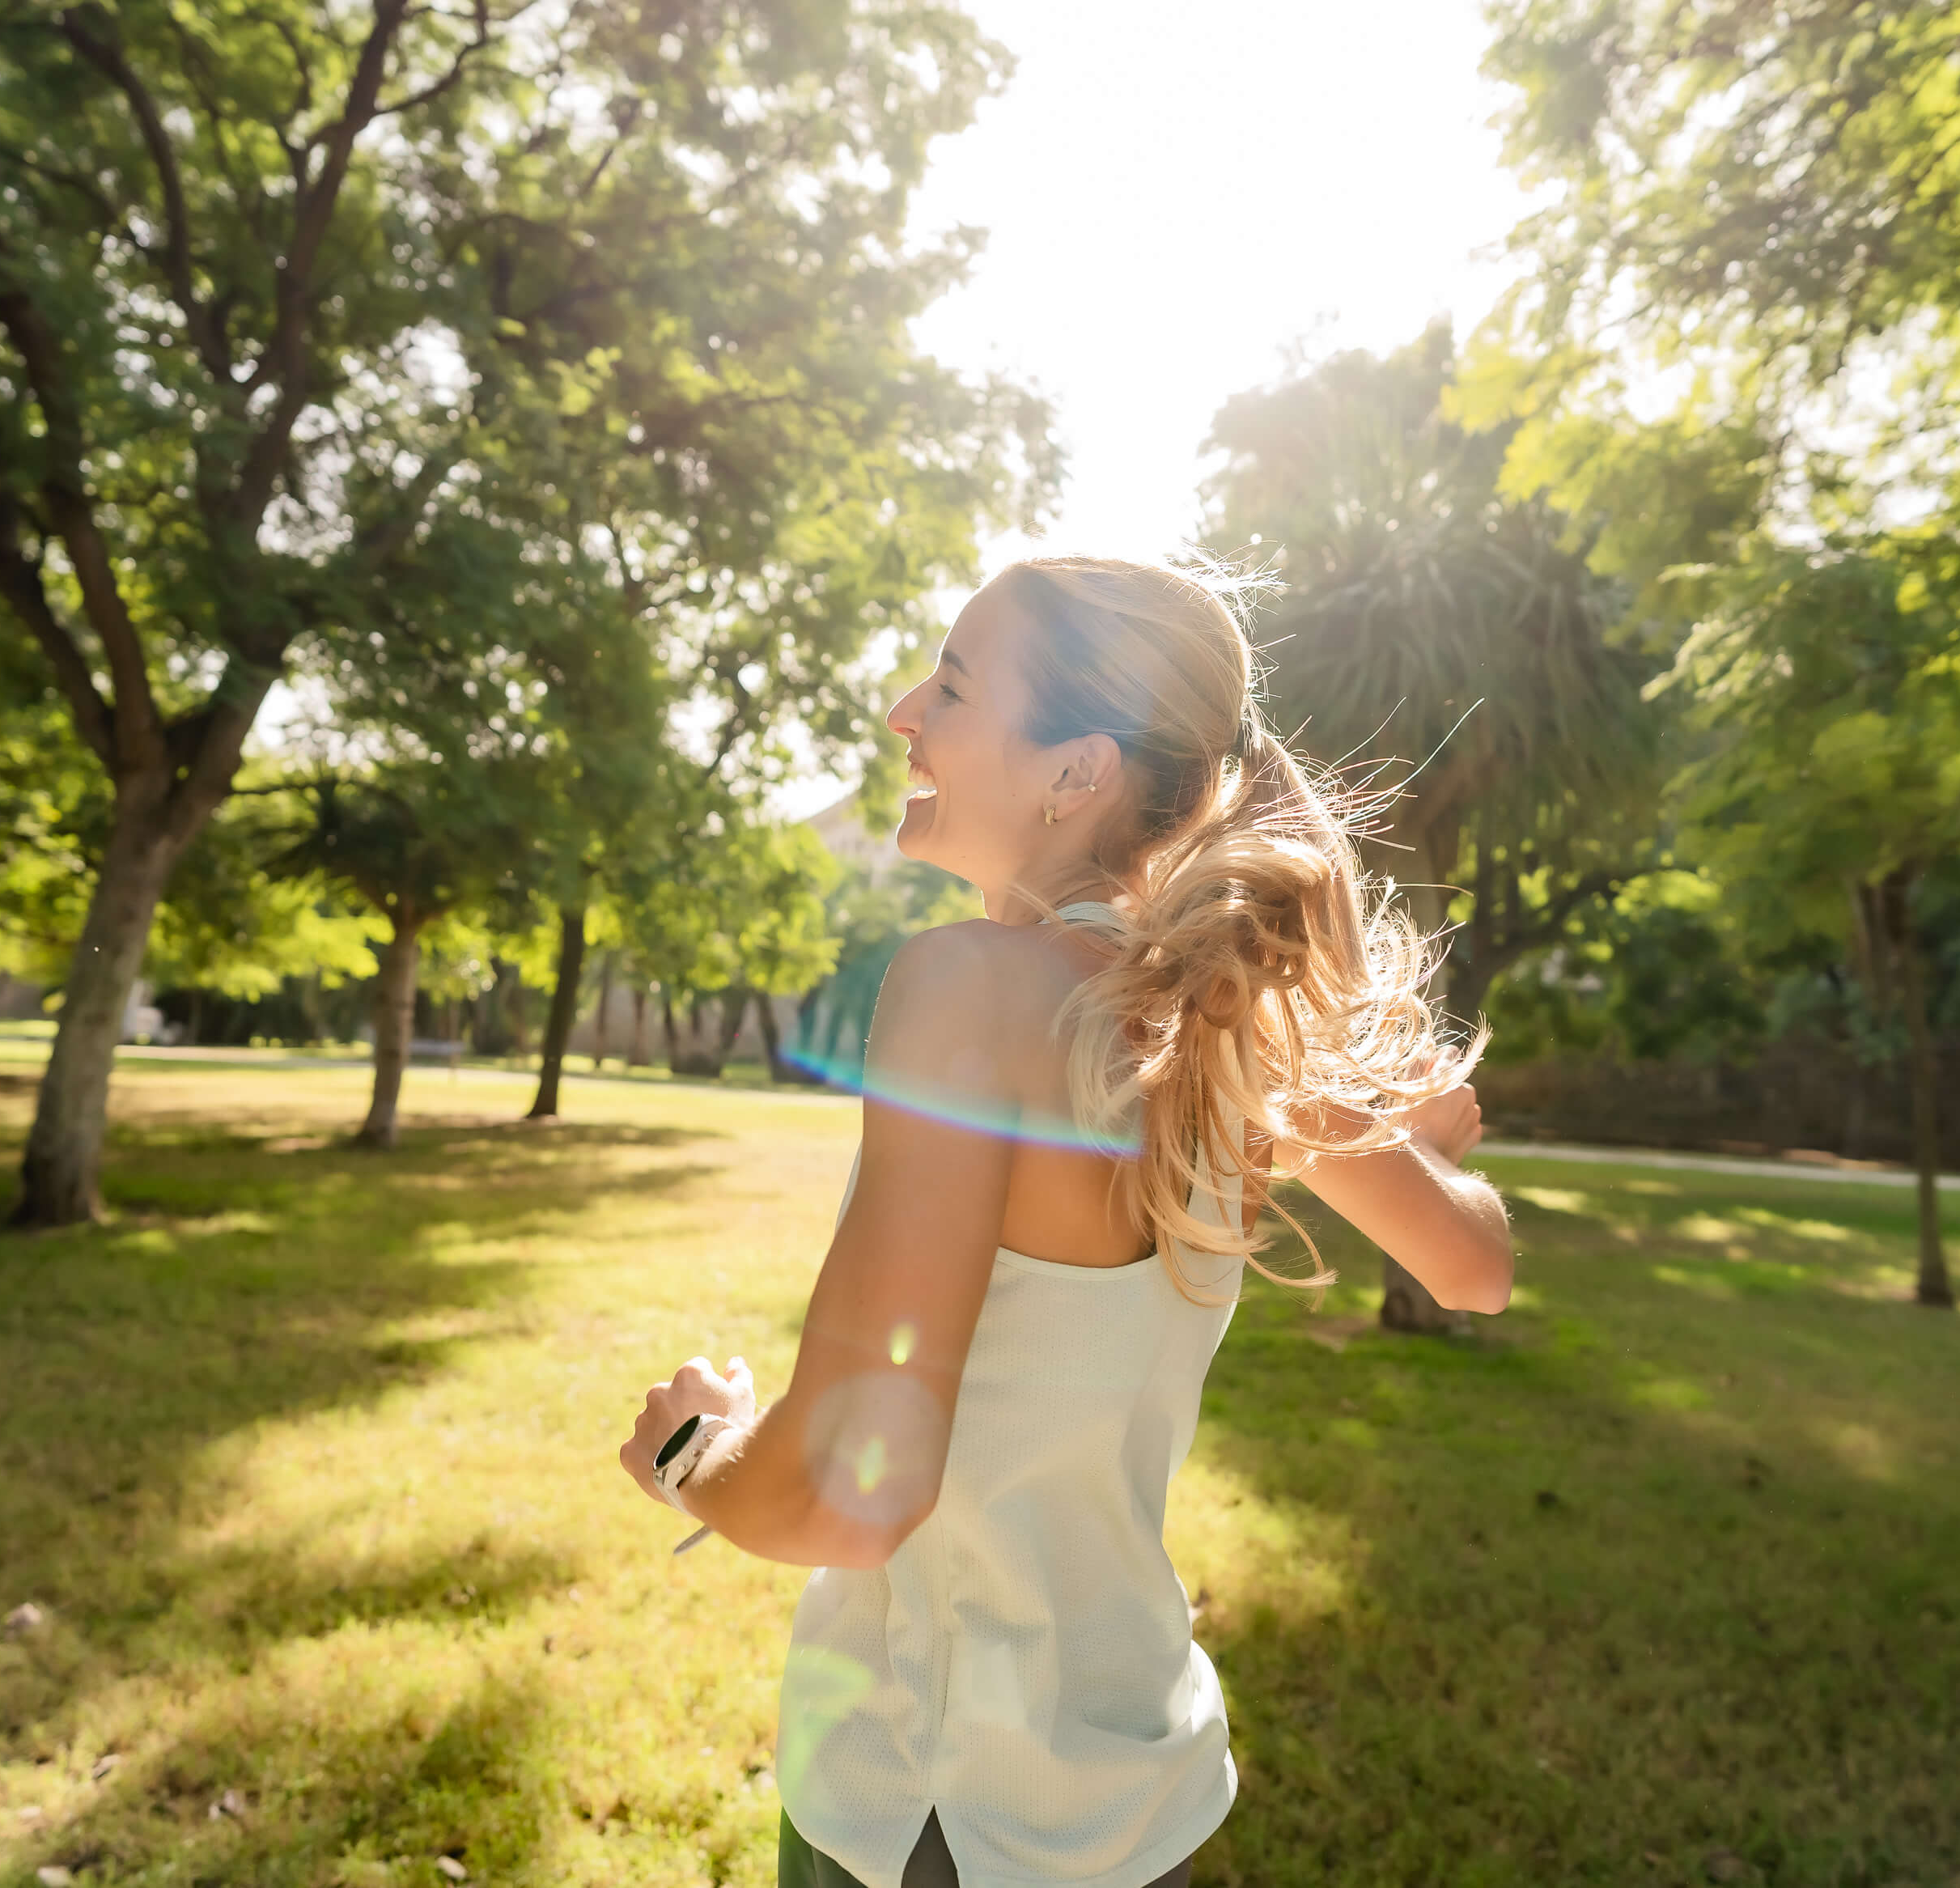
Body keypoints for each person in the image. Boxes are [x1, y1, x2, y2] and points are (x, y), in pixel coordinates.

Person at [617, 555, 1515, 1888]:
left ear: (1076, 771)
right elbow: (1476, 1260)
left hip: (931, 1822)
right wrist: (1431, 1138)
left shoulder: (969, 988)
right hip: (1137, 1805)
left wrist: (690, 1449)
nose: (903, 708)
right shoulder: (1235, 1025)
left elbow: (849, 1495)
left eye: (957, 684)